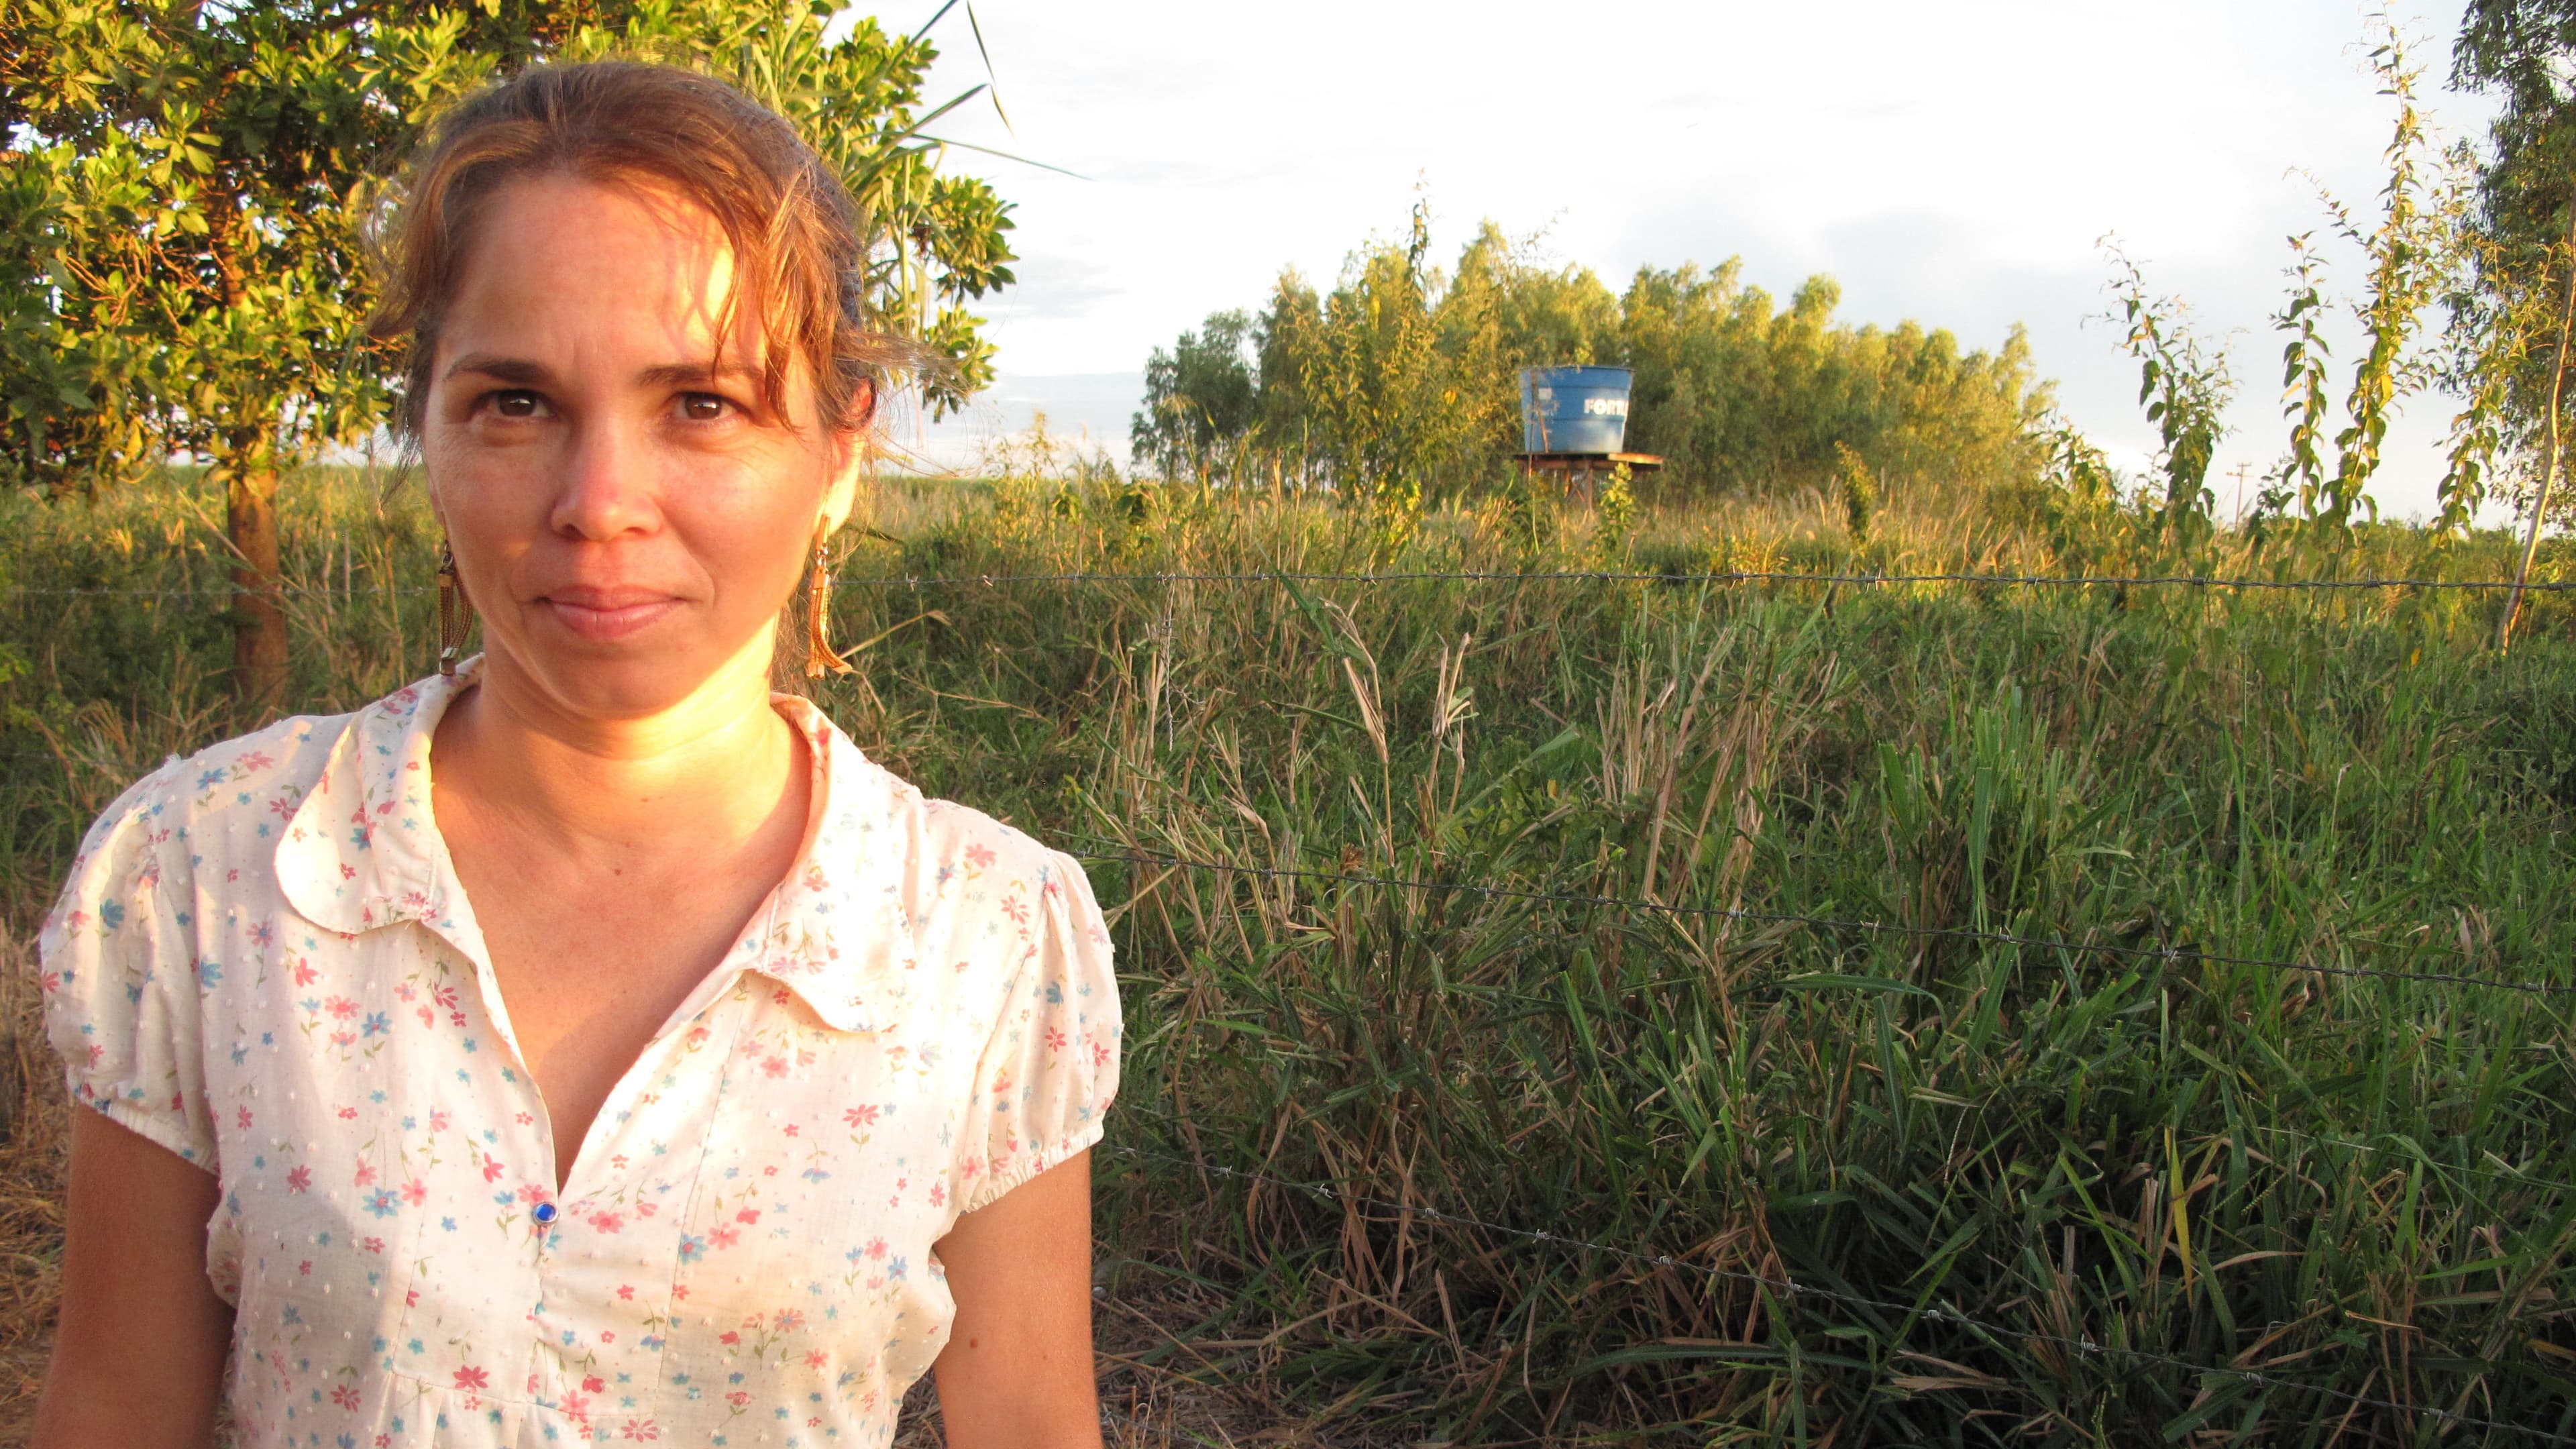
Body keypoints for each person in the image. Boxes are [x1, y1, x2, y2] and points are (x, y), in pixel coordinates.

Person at [31, 60, 1119, 1449]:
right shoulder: (204, 871)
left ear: (841, 449)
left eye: (704, 404)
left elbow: (1030, 1421)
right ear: (424, 424)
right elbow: (118, 1406)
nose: (599, 503)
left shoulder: (987, 938)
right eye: (517, 403)